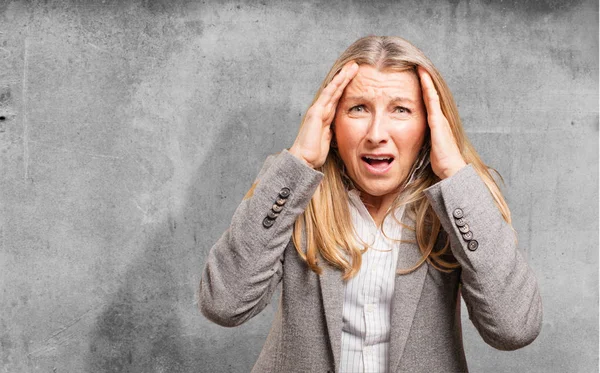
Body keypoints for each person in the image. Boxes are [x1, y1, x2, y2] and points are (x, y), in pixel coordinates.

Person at [198, 36, 543, 373]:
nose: (377, 133)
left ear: (429, 127)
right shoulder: (290, 189)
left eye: (401, 110)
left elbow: (514, 329)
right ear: (332, 119)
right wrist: (298, 163)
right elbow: (224, 305)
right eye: (359, 108)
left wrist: (454, 173)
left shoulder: (460, 203)